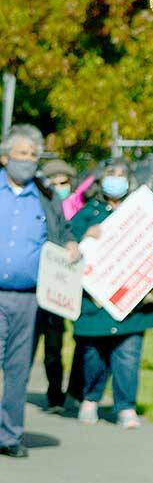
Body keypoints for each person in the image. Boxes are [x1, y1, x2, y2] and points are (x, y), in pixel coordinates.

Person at [0, 126, 76, 457]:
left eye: (33, 155)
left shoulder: (45, 197)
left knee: (18, 370)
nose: (28, 161)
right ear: (5, 158)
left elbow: (63, 232)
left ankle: (9, 436)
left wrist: (70, 244)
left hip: (30, 298)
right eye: (22, 154)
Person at [69, 159, 153, 428]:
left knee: (128, 355)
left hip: (132, 301)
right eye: (111, 174)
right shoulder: (87, 214)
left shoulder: (140, 212)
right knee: (93, 355)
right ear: (100, 180)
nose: (117, 179)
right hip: (94, 303)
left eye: (122, 174)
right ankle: (90, 398)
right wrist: (86, 237)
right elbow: (68, 248)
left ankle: (125, 407)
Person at [31, 158, 77, 410]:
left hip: (55, 283)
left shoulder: (57, 203)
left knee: (54, 345)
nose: (60, 186)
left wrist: (69, 242)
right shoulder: (34, 201)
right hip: (31, 281)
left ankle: (55, 395)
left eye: (64, 182)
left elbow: (66, 229)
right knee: (24, 346)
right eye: (54, 182)